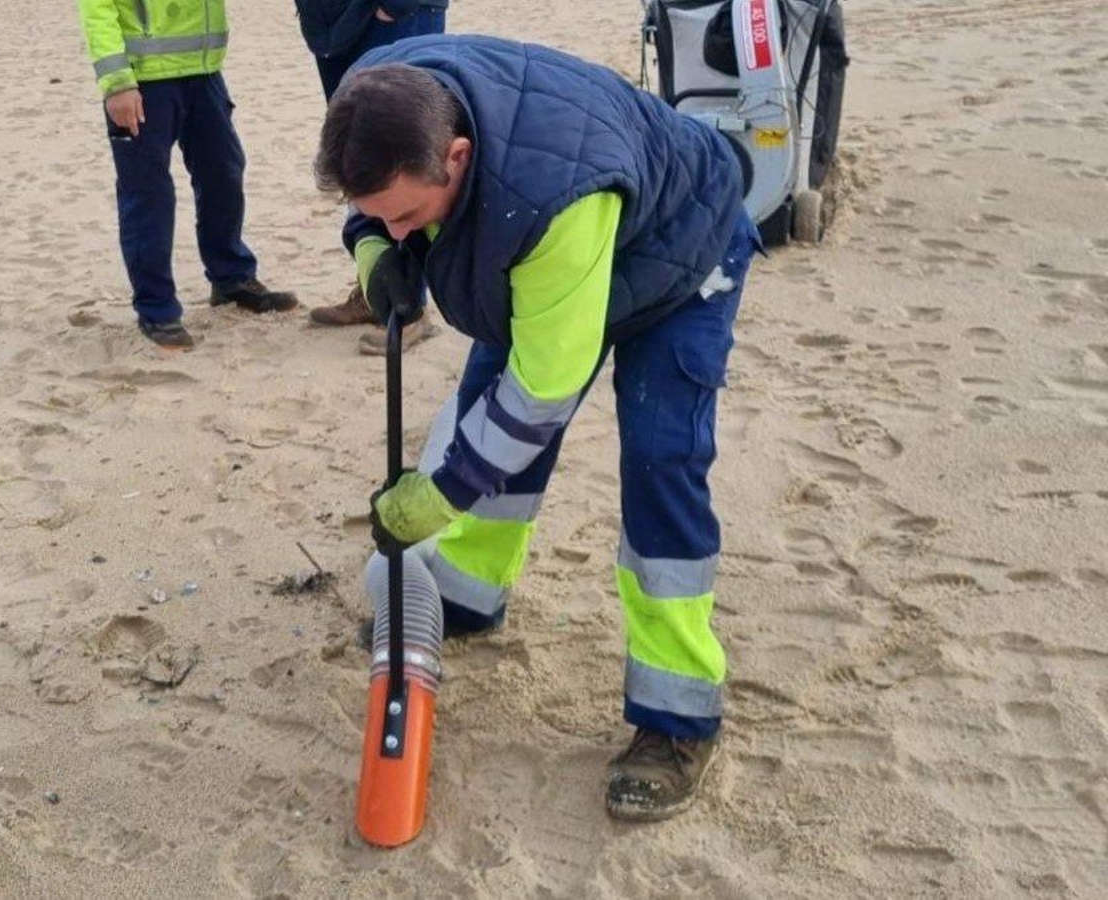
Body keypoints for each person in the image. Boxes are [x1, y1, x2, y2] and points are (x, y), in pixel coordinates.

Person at [317, 34, 761, 822]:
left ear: (454, 158)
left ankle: (677, 718)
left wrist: (442, 493)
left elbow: (542, 390)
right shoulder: (372, 97)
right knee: (491, 430)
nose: (402, 230)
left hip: (681, 255)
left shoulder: (549, 197)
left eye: (410, 217)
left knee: (660, 464)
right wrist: (373, 253)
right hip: (538, 248)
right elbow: (380, 212)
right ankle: (464, 596)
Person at [79, 0, 298, 349]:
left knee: (224, 173)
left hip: (204, 71)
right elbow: (97, 7)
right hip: (143, 79)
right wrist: (118, 82)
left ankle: (231, 279)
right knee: (148, 194)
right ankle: (157, 309)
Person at [297, 0, 448, 355]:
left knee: (398, 144)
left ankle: (408, 307)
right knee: (355, 144)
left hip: (395, 16)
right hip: (333, 21)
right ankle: (376, 289)